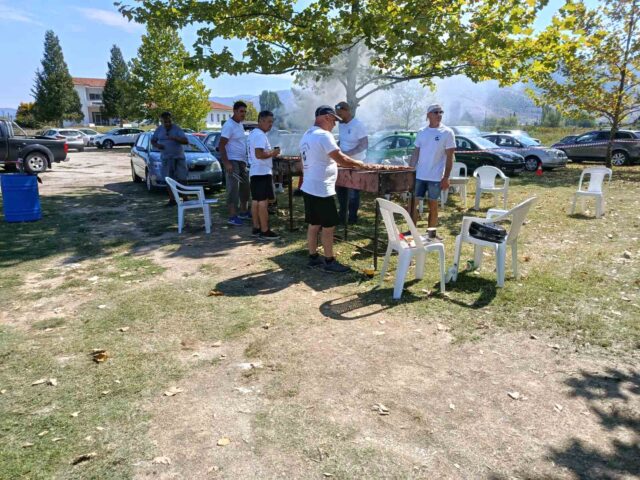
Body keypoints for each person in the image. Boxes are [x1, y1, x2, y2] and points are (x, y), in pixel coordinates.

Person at [299, 105, 367, 273]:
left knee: (314, 224)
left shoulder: (307, 134)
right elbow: (341, 159)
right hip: (321, 188)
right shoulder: (324, 135)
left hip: (309, 185)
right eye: (334, 120)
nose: (335, 124)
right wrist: (358, 164)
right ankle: (329, 261)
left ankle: (313, 257)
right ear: (327, 117)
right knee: (329, 226)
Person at [409, 103, 455, 228]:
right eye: (436, 112)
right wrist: (409, 171)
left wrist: (446, 177)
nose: (439, 115)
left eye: (441, 112)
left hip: (436, 177)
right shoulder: (422, 132)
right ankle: (411, 232)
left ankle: (431, 234)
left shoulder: (447, 132)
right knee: (413, 204)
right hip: (420, 175)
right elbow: (416, 153)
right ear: (428, 115)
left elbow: (450, 157)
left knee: (433, 206)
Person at [247, 110, 281, 240]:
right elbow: (259, 154)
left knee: (256, 201)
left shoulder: (253, 133)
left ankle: (256, 228)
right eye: (268, 122)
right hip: (262, 172)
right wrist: (274, 153)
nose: (271, 124)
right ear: (261, 120)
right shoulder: (260, 135)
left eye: (272, 122)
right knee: (263, 202)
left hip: (255, 171)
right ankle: (265, 230)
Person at [335, 101, 368, 224]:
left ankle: (352, 217)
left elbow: (364, 144)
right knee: (340, 189)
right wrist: (336, 149)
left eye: (340, 114)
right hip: (342, 162)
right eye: (337, 114)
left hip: (356, 163)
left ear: (347, 111)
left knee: (353, 192)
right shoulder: (341, 125)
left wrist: (348, 154)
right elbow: (342, 141)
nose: (338, 117)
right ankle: (342, 215)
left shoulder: (358, 124)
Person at [219, 101, 251, 226]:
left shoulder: (240, 125)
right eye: (241, 111)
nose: (243, 114)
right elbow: (221, 145)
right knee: (233, 188)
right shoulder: (229, 125)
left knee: (245, 186)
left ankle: (243, 211)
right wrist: (227, 163)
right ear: (234, 111)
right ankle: (232, 216)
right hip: (232, 160)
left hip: (242, 161)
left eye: (245, 112)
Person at [151, 111, 189, 206]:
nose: (167, 123)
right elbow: (153, 140)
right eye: (165, 122)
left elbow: (186, 141)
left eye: (169, 121)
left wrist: (176, 138)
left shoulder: (177, 129)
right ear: (162, 121)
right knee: (168, 179)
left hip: (178, 158)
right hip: (166, 158)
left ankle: (185, 198)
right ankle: (172, 200)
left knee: (182, 178)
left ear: (171, 119)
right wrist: (158, 145)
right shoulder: (159, 130)